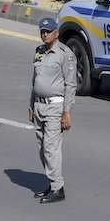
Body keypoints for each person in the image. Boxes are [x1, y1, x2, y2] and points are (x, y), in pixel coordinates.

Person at [30, 17, 76, 204]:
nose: (44, 34)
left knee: (51, 148)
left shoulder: (64, 53)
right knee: (42, 148)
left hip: (55, 106)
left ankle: (58, 188)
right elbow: (34, 80)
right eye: (42, 31)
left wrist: (67, 111)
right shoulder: (39, 52)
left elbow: (71, 84)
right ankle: (52, 182)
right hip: (39, 105)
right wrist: (31, 104)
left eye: (48, 31)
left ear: (56, 33)